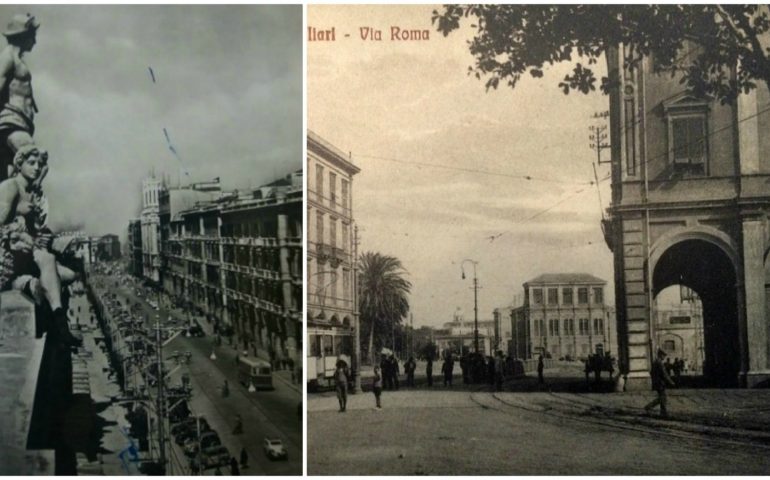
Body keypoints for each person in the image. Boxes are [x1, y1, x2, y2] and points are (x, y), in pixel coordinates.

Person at [0, 145, 80, 347]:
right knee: (48, 260)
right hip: (9, 256)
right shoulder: (10, 186)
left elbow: (36, 232)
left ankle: (35, 289)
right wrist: (16, 236)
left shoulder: (32, 192)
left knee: (69, 275)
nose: (37, 167)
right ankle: (60, 325)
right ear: (19, 164)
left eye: (40, 164)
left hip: (25, 257)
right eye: (31, 163)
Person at [0, 14, 40, 182]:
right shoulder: (7, 57)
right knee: (33, 159)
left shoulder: (17, 59)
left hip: (20, 123)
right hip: (10, 123)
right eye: (32, 36)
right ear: (23, 35)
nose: (35, 41)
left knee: (9, 180)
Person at [645, 348, 676, 418]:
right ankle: (650, 407)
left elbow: (651, 372)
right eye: (663, 355)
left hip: (657, 382)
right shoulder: (659, 363)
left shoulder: (655, 362)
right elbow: (664, 374)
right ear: (660, 355)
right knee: (662, 397)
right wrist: (671, 382)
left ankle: (662, 412)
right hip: (660, 383)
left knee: (662, 397)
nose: (664, 357)